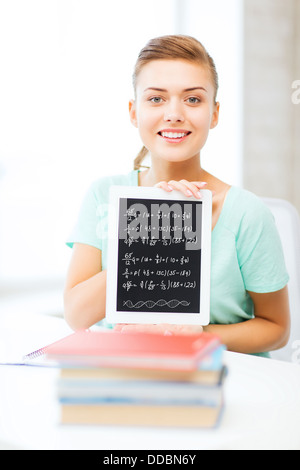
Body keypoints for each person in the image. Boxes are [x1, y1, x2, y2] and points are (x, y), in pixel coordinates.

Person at [64, 35, 290, 356]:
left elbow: (277, 329)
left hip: (220, 379)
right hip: (124, 373)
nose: (174, 113)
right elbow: (78, 317)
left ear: (214, 113)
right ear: (133, 112)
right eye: (156, 99)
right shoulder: (104, 195)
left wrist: (199, 335)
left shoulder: (246, 213)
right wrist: (146, 231)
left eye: (193, 99)